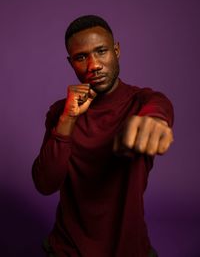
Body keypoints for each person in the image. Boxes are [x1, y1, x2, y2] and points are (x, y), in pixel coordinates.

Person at [32, 15, 174, 257]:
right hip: (67, 249)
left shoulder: (143, 101)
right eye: (81, 57)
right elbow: (45, 184)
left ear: (116, 50)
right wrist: (68, 120)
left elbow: (158, 108)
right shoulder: (61, 111)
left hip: (130, 249)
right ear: (71, 63)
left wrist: (153, 122)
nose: (93, 65)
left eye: (101, 51)